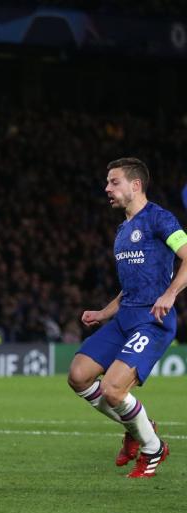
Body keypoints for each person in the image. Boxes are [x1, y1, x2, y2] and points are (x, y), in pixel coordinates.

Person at [67, 157, 186, 478]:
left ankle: (152, 448)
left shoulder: (160, 219)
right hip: (124, 319)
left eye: (114, 182)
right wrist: (103, 313)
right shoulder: (123, 230)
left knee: (113, 390)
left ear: (135, 185)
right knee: (78, 375)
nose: (107, 188)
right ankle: (138, 427)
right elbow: (131, 286)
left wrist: (170, 293)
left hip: (152, 320)